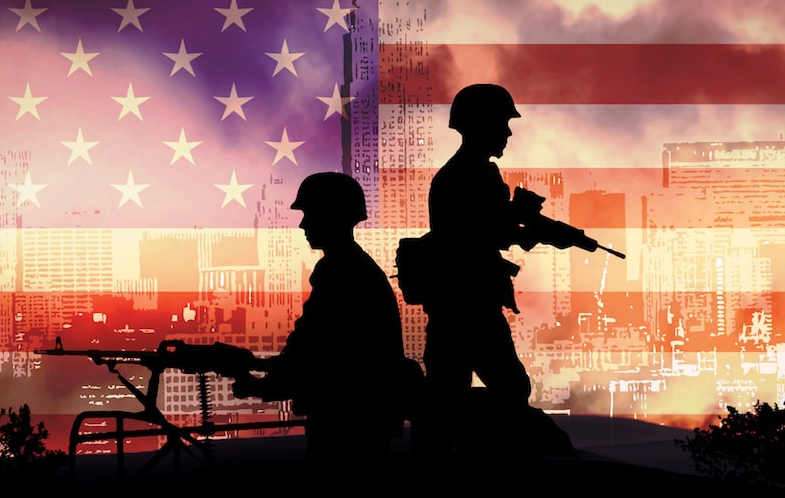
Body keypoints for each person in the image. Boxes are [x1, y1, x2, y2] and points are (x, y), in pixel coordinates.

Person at [231, 172, 416, 478]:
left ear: (332, 215)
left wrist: (261, 384)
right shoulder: (355, 267)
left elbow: (316, 349)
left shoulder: (338, 270)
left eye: (309, 214)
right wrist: (265, 376)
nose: (303, 224)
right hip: (365, 415)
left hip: (347, 418)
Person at [413, 83, 552, 464]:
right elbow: (481, 235)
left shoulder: (462, 174)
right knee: (507, 388)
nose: (507, 132)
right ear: (481, 124)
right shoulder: (475, 175)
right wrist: (532, 232)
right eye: (502, 123)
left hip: (457, 305)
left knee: (446, 393)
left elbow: (483, 232)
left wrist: (530, 230)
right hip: (469, 305)